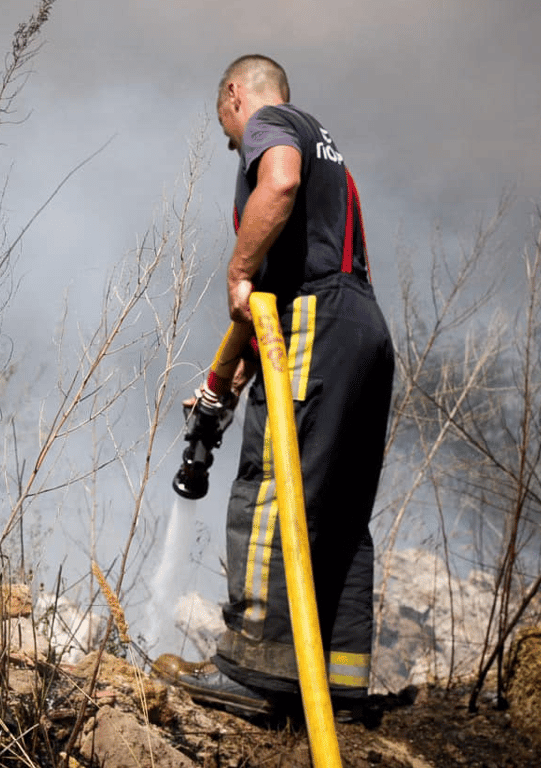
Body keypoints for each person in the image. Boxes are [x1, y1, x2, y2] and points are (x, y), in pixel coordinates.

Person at [160, 55, 395, 722]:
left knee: (271, 487)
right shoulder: (331, 149)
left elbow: (280, 183)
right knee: (342, 511)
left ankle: (257, 673)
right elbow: (295, 269)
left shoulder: (274, 123)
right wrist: (233, 373)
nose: (237, 145)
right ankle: (339, 684)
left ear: (236, 97)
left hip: (317, 317)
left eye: (230, 133)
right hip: (363, 330)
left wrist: (238, 271)